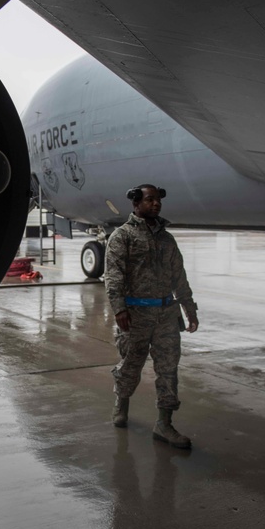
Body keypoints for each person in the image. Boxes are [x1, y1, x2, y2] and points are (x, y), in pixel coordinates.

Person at [104, 184, 199, 449]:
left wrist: (189, 309)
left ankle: (164, 424)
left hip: (166, 315)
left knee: (168, 369)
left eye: (157, 200)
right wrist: (119, 308)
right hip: (136, 315)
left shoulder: (167, 239)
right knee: (131, 364)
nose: (155, 204)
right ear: (136, 203)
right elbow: (113, 275)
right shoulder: (122, 236)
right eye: (149, 200)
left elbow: (179, 276)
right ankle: (121, 402)